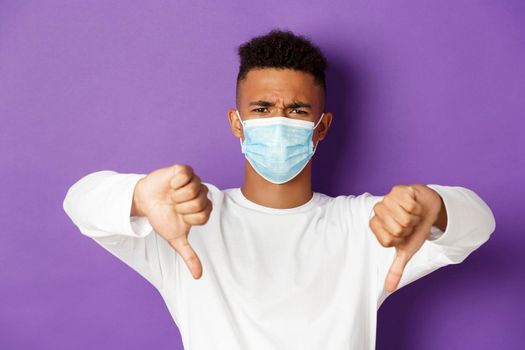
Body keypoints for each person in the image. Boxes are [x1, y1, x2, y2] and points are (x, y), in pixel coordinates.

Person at [62, 29, 496, 350]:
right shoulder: (188, 220)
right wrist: (138, 195)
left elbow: (479, 225)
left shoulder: (366, 226)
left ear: (321, 127)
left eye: (298, 110)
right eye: (263, 108)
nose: (279, 121)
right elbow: (80, 200)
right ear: (237, 123)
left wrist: (435, 206)